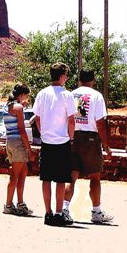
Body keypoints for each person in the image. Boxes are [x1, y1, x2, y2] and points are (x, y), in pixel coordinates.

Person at [63, 69, 113, 224]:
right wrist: (106, 145)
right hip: (90, 138)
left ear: (79, 80)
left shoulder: (71, 94)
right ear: (93, 80)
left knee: (72, 175)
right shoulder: (96, 96)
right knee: (95, 176)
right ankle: (96, 211)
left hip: (72, 136)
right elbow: (100, 123)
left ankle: (64, 209)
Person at [32, 62, 76, 227]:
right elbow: (71, 120)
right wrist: (70, 137)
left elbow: (37, 118)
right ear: (62, 75)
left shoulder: (42, 94)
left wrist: (44, 132)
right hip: (62, 141)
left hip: (47, 141)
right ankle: (59, 213)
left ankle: (48, 213)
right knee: (60, 179)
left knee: (46, 179)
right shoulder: (67, 95)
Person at [2, 83, 35, 216]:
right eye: (26, 96)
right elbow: (22, 129)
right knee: (15, 175)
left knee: (22, 173)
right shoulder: (18, 107)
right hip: (18, 143)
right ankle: (9, 204)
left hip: (10, 141)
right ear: (21, 95)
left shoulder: (7, 106)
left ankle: (20, 203)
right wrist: (29, 148)